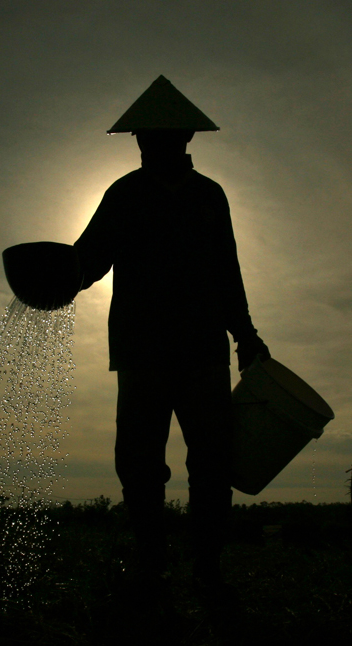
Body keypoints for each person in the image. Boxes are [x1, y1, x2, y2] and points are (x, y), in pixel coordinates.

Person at [73, 76, 270, 598]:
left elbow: (227, 272)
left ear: (184, 139)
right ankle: (153, 558)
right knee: (140, 462)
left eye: (156, 138)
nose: (148, 146)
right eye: (143, 138)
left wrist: (245, 333)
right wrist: (59, 274)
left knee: (210, 461)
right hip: (143, 351)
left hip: (199, 349)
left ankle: (205, 563)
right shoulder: (126, 195)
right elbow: (88, 261)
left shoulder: (208, 197)